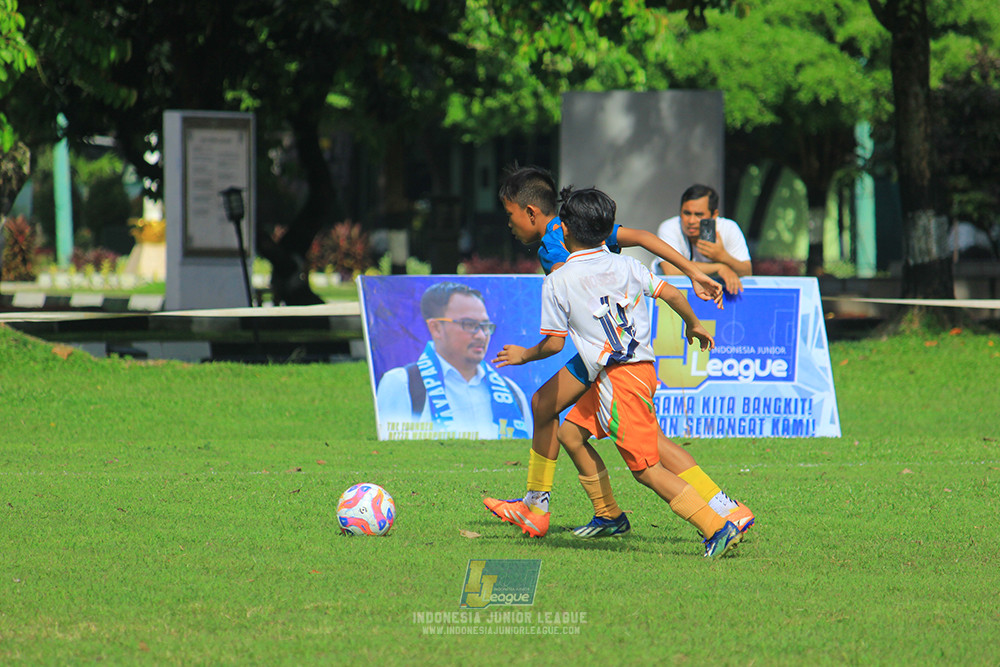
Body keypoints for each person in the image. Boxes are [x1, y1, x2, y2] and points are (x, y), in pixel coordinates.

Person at [484, 165, 754, 539]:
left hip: (608, 358)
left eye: (510, 214)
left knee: (644, 450)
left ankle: (720, 514)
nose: (509, 224)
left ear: (530, 212)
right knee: (562, 424)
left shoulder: (559, 241)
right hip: (612, 351)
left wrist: (527, 354)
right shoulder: (585, 223)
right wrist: (691, 271)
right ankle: (600, 512)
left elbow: (580, 309)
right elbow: (643, 237)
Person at [375, 281, 531, 440]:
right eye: (469, 324)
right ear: (436, 328)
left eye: (485, 326)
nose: (481, 335)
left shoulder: (511, 392)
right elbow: (393, 455)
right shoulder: (403, 383)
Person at [654, 184, 752, 295]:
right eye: (686, 213)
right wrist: (719, 267)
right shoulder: (670, 228)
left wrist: (722, 256)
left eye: (698, 215)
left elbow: (747, 272)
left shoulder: (729, 228)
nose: (691, 220)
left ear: (714, 215)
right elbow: (672, 271)